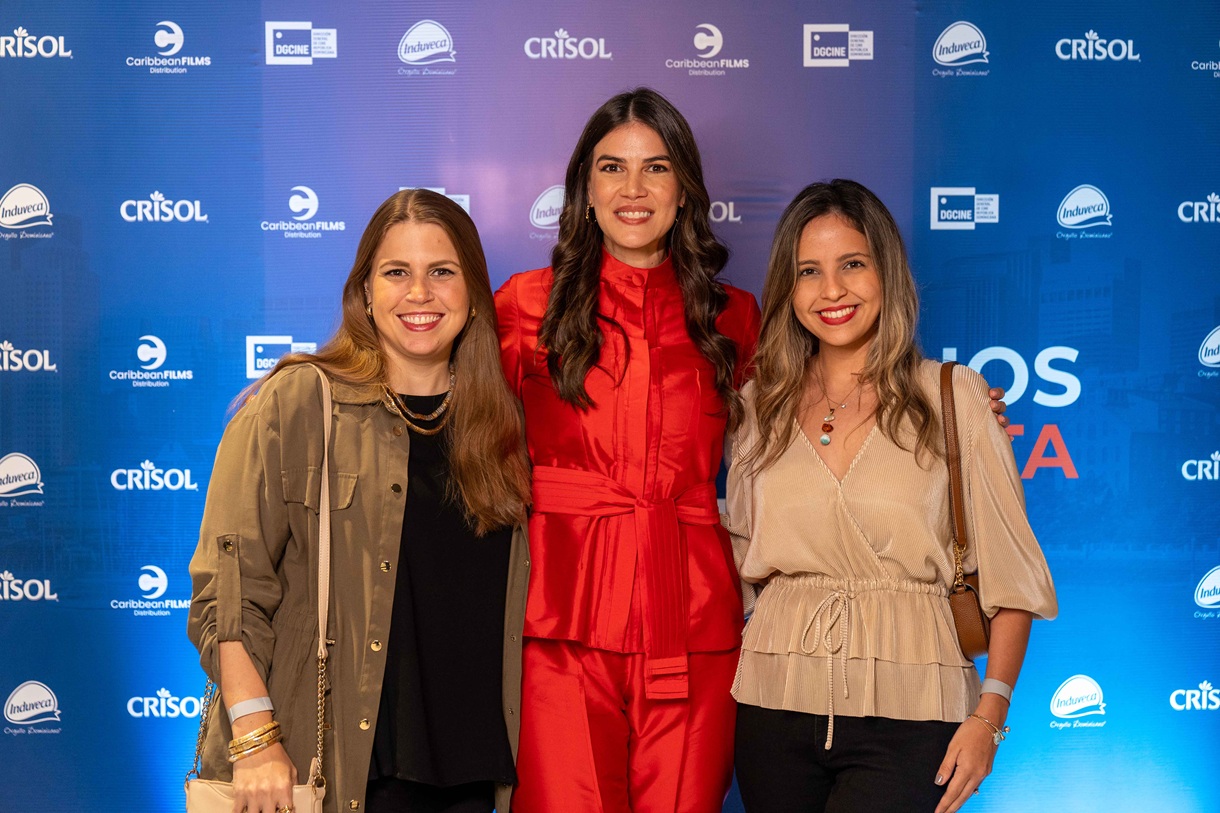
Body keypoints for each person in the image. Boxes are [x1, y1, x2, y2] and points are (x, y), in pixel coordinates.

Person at [187, 189, 532, 813]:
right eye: (396, 272)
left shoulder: (506, 428)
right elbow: (229, 591)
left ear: (475, 295)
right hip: (341, 771)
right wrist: (256, 739)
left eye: (442, 273)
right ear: (365, 293)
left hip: (477, 777)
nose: (419, 293)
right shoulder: (297, 403)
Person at [726, 180, 1057, 813]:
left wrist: (990, 716)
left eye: (852, 264)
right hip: (772, 707)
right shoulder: (756, 410)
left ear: (888, 272)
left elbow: (1012, 581)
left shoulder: (956, 398)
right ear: (787, 289)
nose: (832, 291)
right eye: (809, 272)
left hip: (911, 715)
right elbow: (740, 560)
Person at [495, 87, 760, 812]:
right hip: (560, 621)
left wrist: (947, 398)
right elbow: (431, 394)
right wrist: (316, 380)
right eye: (612, 168)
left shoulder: (734, 314)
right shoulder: (525, 304)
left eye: (657, 168)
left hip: (695, 620)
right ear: (584, 188)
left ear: (685, 192)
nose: (633, 189)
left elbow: (821, 403)